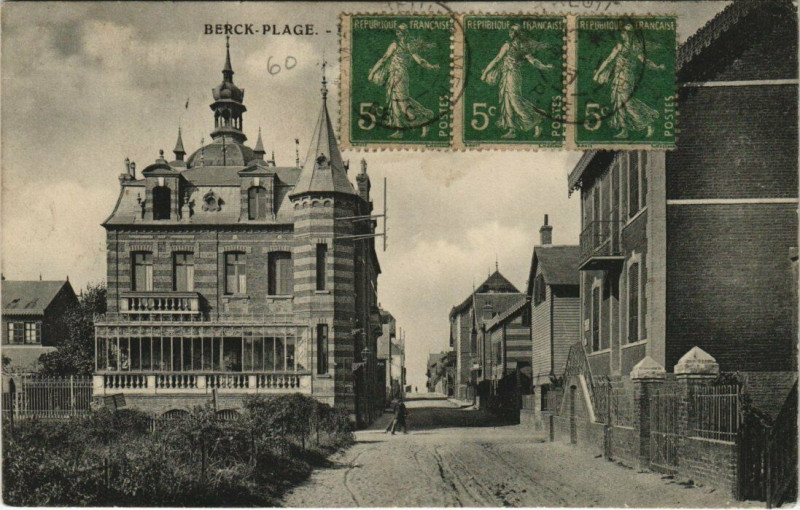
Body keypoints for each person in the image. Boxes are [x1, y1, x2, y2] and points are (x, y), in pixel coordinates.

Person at [592, 24, 665, 139]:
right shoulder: (622, 46)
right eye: (625, 32)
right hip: (618, 77)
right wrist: (598, 73)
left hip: (627, 77)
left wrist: (656, 67)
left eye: (628, 32)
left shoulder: (635, 47)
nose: (626, 34)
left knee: (627, 102)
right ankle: (624, 130)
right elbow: (609, 60)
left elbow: (644, 60)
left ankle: (648, 122)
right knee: (618, 102)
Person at [368, 23, 440, 139]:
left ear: (402, 33)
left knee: (402, 103)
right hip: (394, 76)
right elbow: (419, 60)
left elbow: (384, 59)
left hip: (399, 76)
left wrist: (372, 73)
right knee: (394, 103)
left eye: (400, 32)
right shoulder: (407, 45)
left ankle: (424, 122)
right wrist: (431, 66)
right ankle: (399, 130)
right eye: (398, 32)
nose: (399, 34)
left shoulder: (398, 45)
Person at [481, 24, 553, 139]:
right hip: (506, 75)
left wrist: (545, 67)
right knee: (507, 101)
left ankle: (536, 119)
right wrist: (545, 67)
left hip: (513, 76)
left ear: (515, 34)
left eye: (513, 32)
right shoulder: (512, 46)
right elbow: (497, 59)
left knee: (515, 101)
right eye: (511, 31)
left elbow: (533, 61)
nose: (511, 33)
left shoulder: (520, 47)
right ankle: (512, 130)